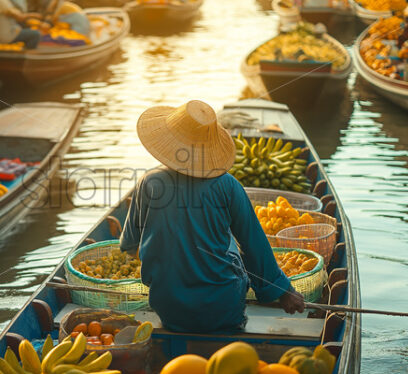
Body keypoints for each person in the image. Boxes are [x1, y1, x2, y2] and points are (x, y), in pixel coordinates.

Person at [120, 100, 306, 334]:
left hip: (168, 309)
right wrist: (282, 291)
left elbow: (128, 245)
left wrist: (171, 259)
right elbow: (254, 245)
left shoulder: (149, 182)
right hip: (223, 310)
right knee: (230, 242)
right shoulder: (228, 185)